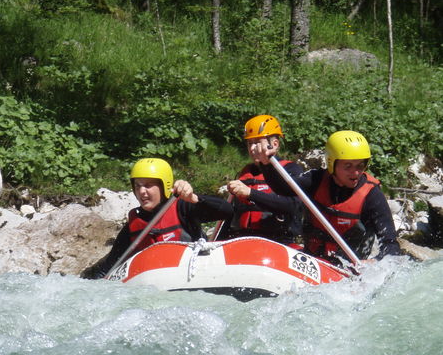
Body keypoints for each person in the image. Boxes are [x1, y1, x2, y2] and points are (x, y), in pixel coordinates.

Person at [250, 130, 401, 264]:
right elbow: (284, 188)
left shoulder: (372, 195)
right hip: (312, 262)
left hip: (350, 270)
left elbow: (391, 245)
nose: (355, 173)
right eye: (348, 166)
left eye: (360, 166)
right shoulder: (316, 180)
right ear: (332, 164)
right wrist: (266, 163)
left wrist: (376, 262)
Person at [92, 158, 233, 279]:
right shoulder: (134, 224)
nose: (142, 191)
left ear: (164, 186)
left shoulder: (183, 208)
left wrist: (194, 199)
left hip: (190, 275)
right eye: (138, 185)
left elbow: (227, 211)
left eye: (148, 185)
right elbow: (109, 267)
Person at [217, 114, 304, 246]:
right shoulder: (245, 173)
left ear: (274, 144)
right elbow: (232, 215)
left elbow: (293, 206)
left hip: (279, 241)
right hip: (243, 240)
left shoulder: (291, 170)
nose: (252, 149)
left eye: (257, 142)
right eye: (250, 143)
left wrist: (251, 194)